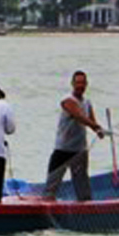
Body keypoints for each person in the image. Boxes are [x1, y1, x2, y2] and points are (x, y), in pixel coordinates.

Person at [43, 70, 105, 201]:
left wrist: (99, 131)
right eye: (77, 83)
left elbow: (91, 121)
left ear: (86, 84)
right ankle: (46, 207)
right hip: (63, 150)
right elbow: (79, 116)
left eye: (83, 83)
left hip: (79, 151)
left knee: (83, 187)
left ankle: (85, 210)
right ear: (72, 84)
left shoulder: (87, 102)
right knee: (51, 186)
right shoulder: (67, 100)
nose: (80, 86)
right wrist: (95, 127)